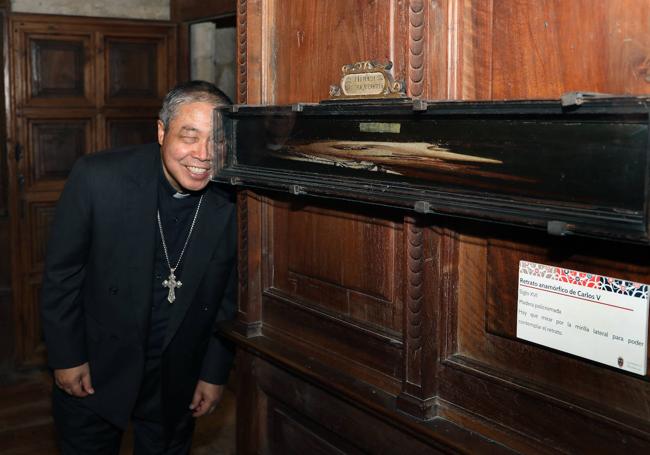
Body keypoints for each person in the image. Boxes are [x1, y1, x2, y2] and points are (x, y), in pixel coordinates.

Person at [40, 80, 237, 454]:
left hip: (176, 375)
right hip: (97, 365)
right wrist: (66, 357)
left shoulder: (233, 199)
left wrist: (213, 373)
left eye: (218, 140)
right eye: (189, 136)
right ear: (162, 132)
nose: (204, 154)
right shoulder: (98, 178)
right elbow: (61, 276)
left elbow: (227, 296)